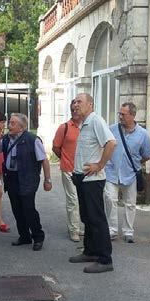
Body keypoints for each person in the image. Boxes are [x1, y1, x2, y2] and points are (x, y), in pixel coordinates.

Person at [68, 93, 116, 274]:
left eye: (79, 102)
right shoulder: (84, 123)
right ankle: (90, 251)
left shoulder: (96, 120)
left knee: (97, 219)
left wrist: (100, 164)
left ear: (90, 104)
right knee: (87, 218)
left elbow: (111, 143)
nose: (76, 104)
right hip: (82, 178)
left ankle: (105, 259)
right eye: (75, 102)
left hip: (93, 180)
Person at [104, 102, 150, 243]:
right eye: (119, 113)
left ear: (132, 115)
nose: (120, 116)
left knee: (130, 203)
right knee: (110, 200)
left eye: (123, 114)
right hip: (111, 172)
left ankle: (128, 231)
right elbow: (104, 147)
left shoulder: (143, 134)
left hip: (131, 174)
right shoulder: (112, 130)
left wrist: (135, 164)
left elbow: (147, 154)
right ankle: (112, 230)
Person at [2, 113, 52, 251]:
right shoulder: (6, 139)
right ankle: (24, 236)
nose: (9, 125)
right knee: (16, 209)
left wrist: (47, 180)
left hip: (27, 178)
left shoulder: (32, 139)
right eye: (9, 122)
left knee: (28, 209)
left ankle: (38, 237)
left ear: (21, 127)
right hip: (11, 178)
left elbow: (44, 161)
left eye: (12, 123)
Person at [52, 100, 83, 242]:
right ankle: (74, 230)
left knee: (84, 200)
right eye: (73, 109)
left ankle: (81, 227)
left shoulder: (87, 126)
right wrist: (64, 158)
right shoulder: (64, 127)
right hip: (69, 169)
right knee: (73, 200)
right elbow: (56, 147)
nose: (75, 111)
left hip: (85, 170)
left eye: (78, 109)